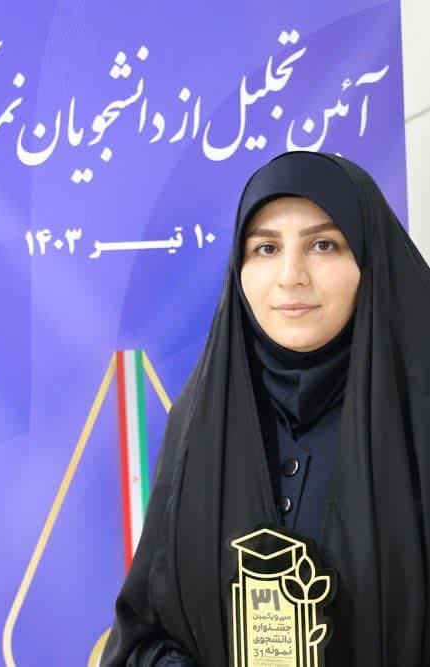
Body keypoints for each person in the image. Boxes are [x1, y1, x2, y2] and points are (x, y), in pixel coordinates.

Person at [100, 150, 430, 666]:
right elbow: (146, 634)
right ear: (240, 268)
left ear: (369, 261)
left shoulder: (417, 414)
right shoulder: (200, 421)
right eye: (266, 248)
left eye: (324, 244)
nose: (291, 276)